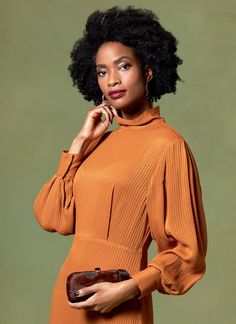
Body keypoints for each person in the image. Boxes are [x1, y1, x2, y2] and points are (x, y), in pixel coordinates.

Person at [33, 5, 208, 324]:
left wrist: (130, 289)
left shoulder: (168, 145)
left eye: (123, 66)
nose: (112, 79)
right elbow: (52, 217)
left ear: (149, 70)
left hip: (118, 302)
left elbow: (189, 252)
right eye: (102, 71)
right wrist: (78, 146)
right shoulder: (98, 141)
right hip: (70, 296)